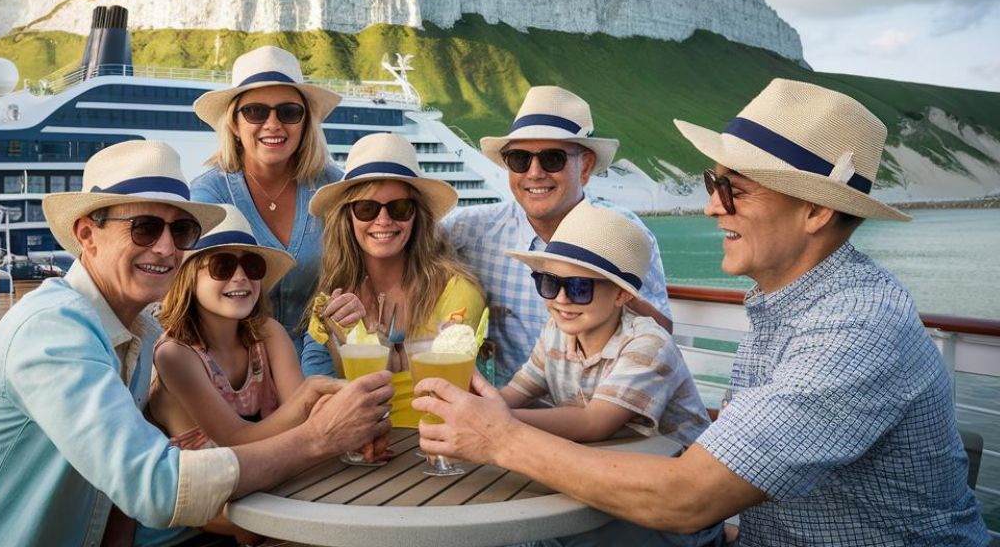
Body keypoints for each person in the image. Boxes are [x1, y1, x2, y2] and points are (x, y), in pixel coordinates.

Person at [414, 79, 989, 546]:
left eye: (734, 188)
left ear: (815, 211)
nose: (712, 205)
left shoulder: (855, 326)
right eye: (715, 183)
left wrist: (498, 437)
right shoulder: (788, 301)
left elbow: (687, 498)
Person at [0, 141, 391, 546]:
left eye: (182, 230)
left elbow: (112, 501)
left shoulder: (138, 334)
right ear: (87, 234)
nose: (167, 247)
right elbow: (156, 487)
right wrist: (319, 437)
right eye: (145, 227)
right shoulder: (54, 328)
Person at [143, 204, 346, 546]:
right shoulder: (175, 355)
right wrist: (310, 396)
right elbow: (233, 442)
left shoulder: (268, 333)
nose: (240, 277)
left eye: (251, 266)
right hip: (194, 522)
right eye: (222, 266)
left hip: (261, 496)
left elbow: (304, 424)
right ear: (189, 279)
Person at [445, 85, 673, 385]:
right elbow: (398, 239)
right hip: (512, 409)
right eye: (519, 159)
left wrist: (622, 294)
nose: (534, 172)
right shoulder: (472, 230)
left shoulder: (622, 233)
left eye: (552, 158)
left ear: (586, 165)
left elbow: (661, 333)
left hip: (601, 411)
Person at [301, 133, 486, 427]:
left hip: (434, 443)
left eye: (399, 208)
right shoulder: (330, 302)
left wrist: (366, 354)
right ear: (347, 217)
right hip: (358, 450)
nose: (383, 220)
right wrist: (341, 341)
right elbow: (315, 394)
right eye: (366, 208)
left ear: (417, 216)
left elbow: (447, 390)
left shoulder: (457, 291)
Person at [499, 201, 709, 448]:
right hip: (612, 457)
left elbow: (593, 423)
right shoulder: (554, 332)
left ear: (621, 295)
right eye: (550, 283)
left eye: (580, 288)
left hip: (677, 467)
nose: (561, 299)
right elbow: (513, 395)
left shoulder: (649, 343)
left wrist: (495, 418)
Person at [192, 45, 343, 353]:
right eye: (256, 111)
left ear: (305, 122)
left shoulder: (334, 187)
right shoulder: (209, 194)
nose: (273, 124)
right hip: (241, 366)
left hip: (326, 358)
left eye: (288, 112)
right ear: (234, 123)